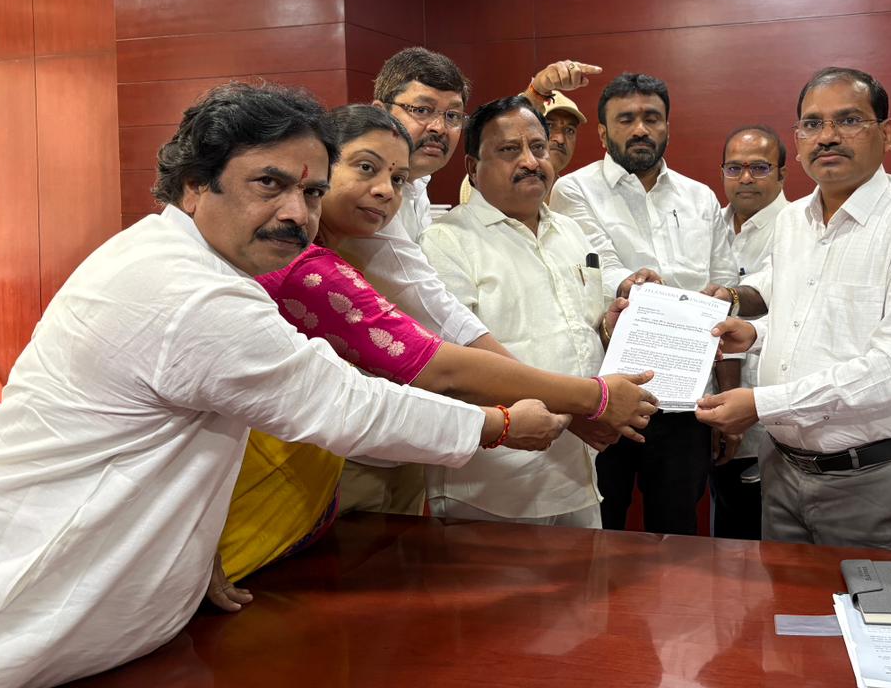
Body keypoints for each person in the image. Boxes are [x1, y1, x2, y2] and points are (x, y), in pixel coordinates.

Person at [0, 83, 569, 688]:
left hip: (109, 614)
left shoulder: (169, 254)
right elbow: (348, 405)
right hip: (31, 604)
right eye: (269, 184)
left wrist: (187, 547)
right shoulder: (192, 293)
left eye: (311, 191)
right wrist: (498, 424)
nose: (296, 212)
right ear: (195, 184)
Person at [216, 104, 655, 591]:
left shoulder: (357, 248)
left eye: (398, 179)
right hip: (314, 478)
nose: (385, 190)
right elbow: (438, 363)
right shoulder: (315, 266)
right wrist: (589, 399)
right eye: (365, 168)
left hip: (543, 461)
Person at [696, 68, 891, 551]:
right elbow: (811, 318)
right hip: (782, 471)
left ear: (887, 134)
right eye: (812, 124)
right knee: (787, 600)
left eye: (849, 120)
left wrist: (761, 405)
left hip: (874, 480)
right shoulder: (793, 221)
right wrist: (755, 335)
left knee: (885, 602)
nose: (827, 137)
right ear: (798, 142)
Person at [333, 49, 601, 515]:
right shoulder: (394, 218)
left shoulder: (414, 191)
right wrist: (579, 403)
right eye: (422, 110)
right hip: (352, 444)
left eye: (453, 115)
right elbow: (446, 325)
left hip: (412, 438)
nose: (439, 127)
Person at [550, 73, 739, 535]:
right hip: (607, 394)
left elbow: (723, 288)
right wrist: (631, 285)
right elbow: (600, 266)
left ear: (667, 125)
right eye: (626, 119)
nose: (640, 129)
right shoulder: (573, 190)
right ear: (602, 133)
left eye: (652, 118)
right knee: (601, 528)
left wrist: (723, 402)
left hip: (686, 401)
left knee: (678, 535)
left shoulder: (700, 198)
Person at [424, 96, 615, 527]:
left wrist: (610, 326)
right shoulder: (445, 242)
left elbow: (583, 328)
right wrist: (577, 410)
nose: (530, 162)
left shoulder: (571, 231)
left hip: (578, 471)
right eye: (509, 150)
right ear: (473, 168)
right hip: (493, 483)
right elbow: (459, 366)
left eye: (538, 147)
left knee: (587, 574)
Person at [710, 125, 789, 540]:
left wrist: (729, 297)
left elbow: (766, 298)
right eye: (734, 168)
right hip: (711, 402)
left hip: (769, 413)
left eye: (759, 168)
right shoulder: (707, 224)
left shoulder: (799, 228)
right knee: (725, 537)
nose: (745, 178)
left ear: (781, 175)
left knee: (767, 542)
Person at [459, 89, 587, 203]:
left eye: (570, 130)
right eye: (549, 125)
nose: (560, 139)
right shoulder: (485, 181)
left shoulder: (573, 195)